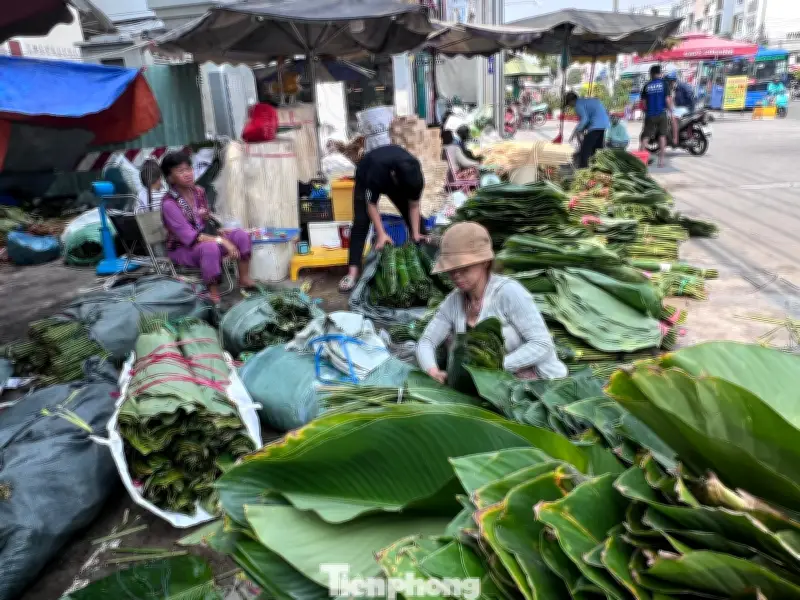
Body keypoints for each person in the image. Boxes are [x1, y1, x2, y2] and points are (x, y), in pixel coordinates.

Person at [417, 222, 568, 383]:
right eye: (451, 270)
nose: (456, 275)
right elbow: (427, 341)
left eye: (464, 268)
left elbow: (542, 344)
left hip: (540, 385)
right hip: (494, 387)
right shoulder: (454, 301)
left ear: (485, 262)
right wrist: (432, 370)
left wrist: (495, 366)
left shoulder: (509, 292)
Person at [160, 151, 255, 303]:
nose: (187, 174)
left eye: (188, 169)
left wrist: (218, 230)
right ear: (170, 178)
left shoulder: (199, 192)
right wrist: (222, 241)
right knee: (210, 247)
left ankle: (243, 278)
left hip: (204, 239)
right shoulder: (169, 204)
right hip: (183, 249)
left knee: (240, 235)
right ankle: (214, 294)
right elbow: (189, 237)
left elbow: (204, 223)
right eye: (180, 171)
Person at [339, 144, 426, 292]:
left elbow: (413, 206)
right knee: (361, 221)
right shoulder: (376, 171)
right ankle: (352, 273)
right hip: (367, 173)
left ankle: (420, 265)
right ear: (394, 176)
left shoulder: (415, 177)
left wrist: (416, 233)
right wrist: (381, 233)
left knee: (417, 223)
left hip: (396, 177)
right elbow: (371, 204)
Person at [565, 91, 610, 168]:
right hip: (604, 124)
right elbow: (588, 118)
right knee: (597, 149)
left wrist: (578, 130)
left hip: (596, 125)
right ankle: (598, 168)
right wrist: (581, 130)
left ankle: (583, 169)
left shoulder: (578, 105)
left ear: (571, 101)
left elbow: (585, 119)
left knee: (585, 150)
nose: (570, 106)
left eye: (569, 104)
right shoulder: (585, 101)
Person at [640, 65, 672, 168]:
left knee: (645, 137)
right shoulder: (664, 84)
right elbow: (667, 100)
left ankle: (641, 161)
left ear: (651, 74)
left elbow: (644, 103)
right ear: (659, 73)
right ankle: (661, 161)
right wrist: (671, 109)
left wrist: (647, 110)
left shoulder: (646, 85)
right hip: (662, 114)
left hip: (650, 114)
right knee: (662, 136)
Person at [667, 71, 695, 146]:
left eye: (670, 81)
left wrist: (690, 108)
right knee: (668, 114)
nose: (669, 83)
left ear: (673, 81)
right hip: (681, 107)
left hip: (687, 107)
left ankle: (675, 139)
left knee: (674, 117)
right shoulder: (674, 88)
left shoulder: (682, 86)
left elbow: (690, 95)